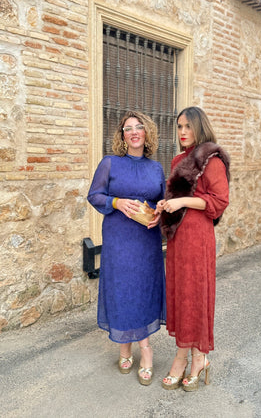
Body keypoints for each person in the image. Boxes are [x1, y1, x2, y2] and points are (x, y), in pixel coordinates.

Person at [87, 110, 166, 386]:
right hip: (119, 238)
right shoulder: (109, 163)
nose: (133, 132)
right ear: (122, 136)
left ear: (147, 134)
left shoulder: (155, 168)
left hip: (146, 240)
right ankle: (125, 348)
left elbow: (163, 201)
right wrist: (117, 203)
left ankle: (144, 349)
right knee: (121, 289)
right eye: (127, 128)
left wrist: (158, 214)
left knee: (142, 289)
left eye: (138, 127)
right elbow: (94, 195)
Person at [157, 106, 230, 391]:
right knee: (181, 293)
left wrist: (183, 202)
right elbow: (175, 196)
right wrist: (166, 204)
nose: (183, 132)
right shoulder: (178, 159)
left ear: (200, 127)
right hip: (178, 239)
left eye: (188, 126)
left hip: (198, 237)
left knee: (195, 294)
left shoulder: (211, 160)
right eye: (179, 127)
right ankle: (193, 356)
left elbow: (219, 201)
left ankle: (191, 358)